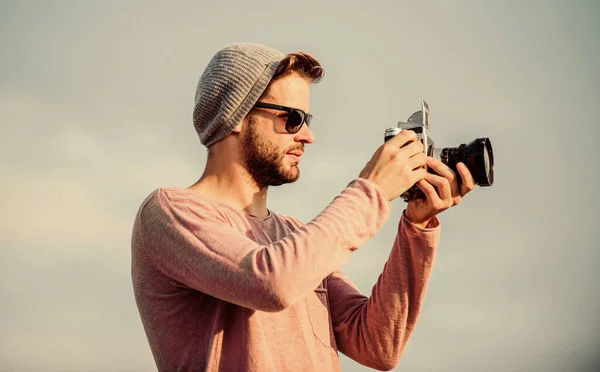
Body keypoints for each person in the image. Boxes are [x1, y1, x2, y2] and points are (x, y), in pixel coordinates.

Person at [131, 43, 475, 372]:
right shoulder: (169, 213)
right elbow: (270, 282)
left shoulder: (294, 235)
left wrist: (416, 227)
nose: (308, 136)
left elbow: (376, 345)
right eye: (292, 118)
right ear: (235, 115)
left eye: (307, 119)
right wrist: (372, 189)